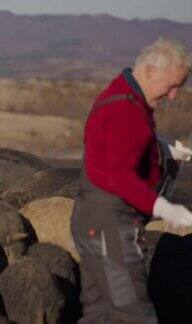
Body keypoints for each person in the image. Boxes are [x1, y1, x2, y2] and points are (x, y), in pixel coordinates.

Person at [70, 38, 192, 323]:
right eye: (171, 85)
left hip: (93, 221)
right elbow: (120, 177)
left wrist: (158, 148)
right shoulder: (125, 110)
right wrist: (166, 209)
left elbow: (116, 148)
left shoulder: (124, 95)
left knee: (100, 313)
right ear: (150, 71)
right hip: (110, 225)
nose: (173, 96)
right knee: (135, 315)